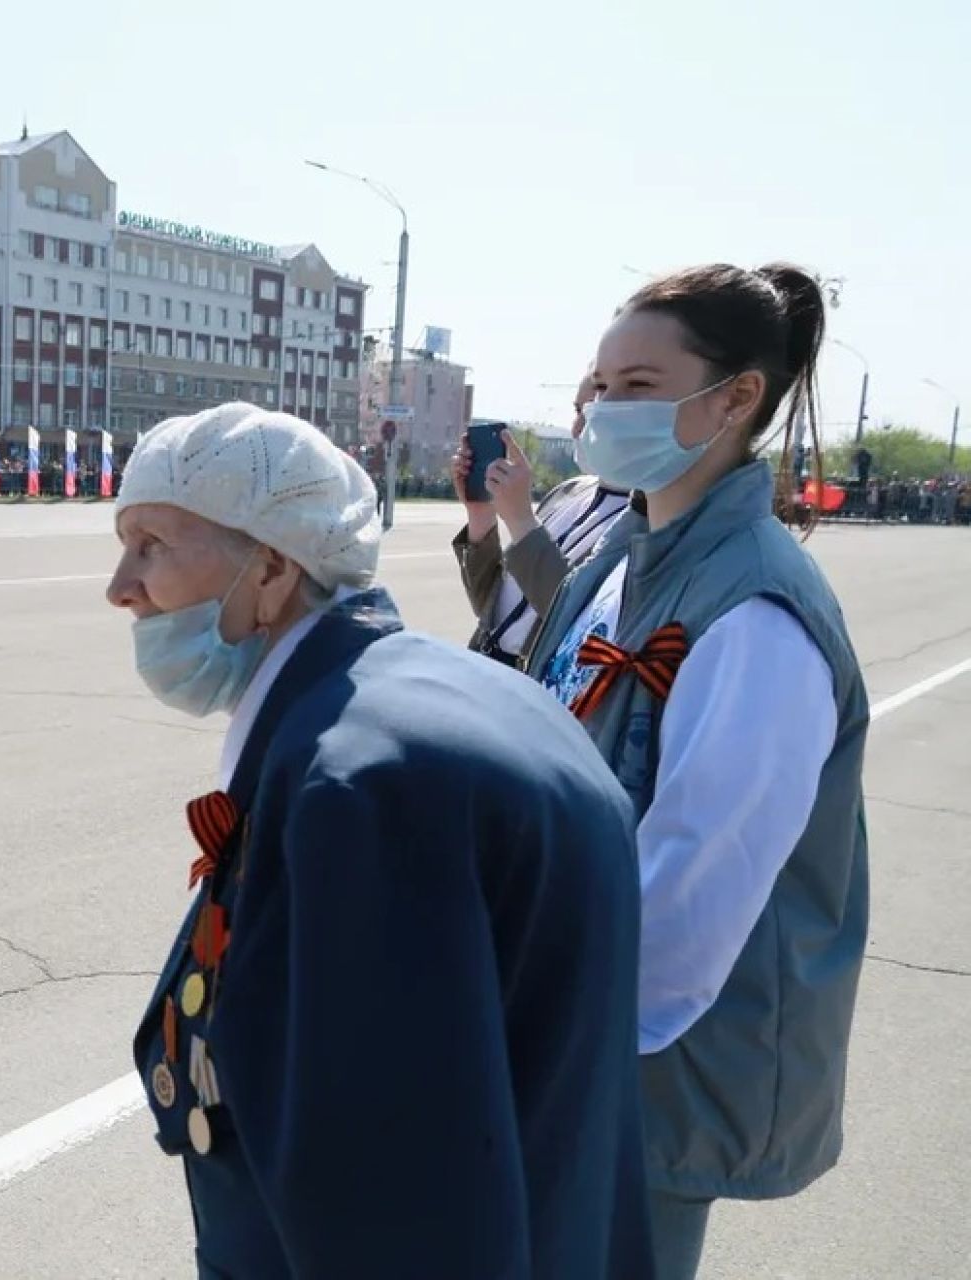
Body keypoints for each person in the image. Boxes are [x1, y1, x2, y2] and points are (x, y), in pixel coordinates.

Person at [109, 402, 653, 1279]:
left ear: (273, 565)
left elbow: (400, 1203)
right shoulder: (428, 696)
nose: (121, 586)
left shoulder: (355, 786)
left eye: (153, 546)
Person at [527, 263, 869, 1280]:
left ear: (734, 399)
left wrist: (543, 1031)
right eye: (596, 384)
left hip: (642, 1062)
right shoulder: (624, 554)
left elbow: (685, 902)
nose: (600, 408)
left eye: (637, 384)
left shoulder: (758, 607)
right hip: (580, 1030)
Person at [452, 374, 634, 664]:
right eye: (577, 411)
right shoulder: (569, 492)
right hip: (487, 667)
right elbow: (487, 604)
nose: (577, 429)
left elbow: (576, 622)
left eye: (592, 415)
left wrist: (522, 521)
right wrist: (480, 515)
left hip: (538, 689)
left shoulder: (643, 521)